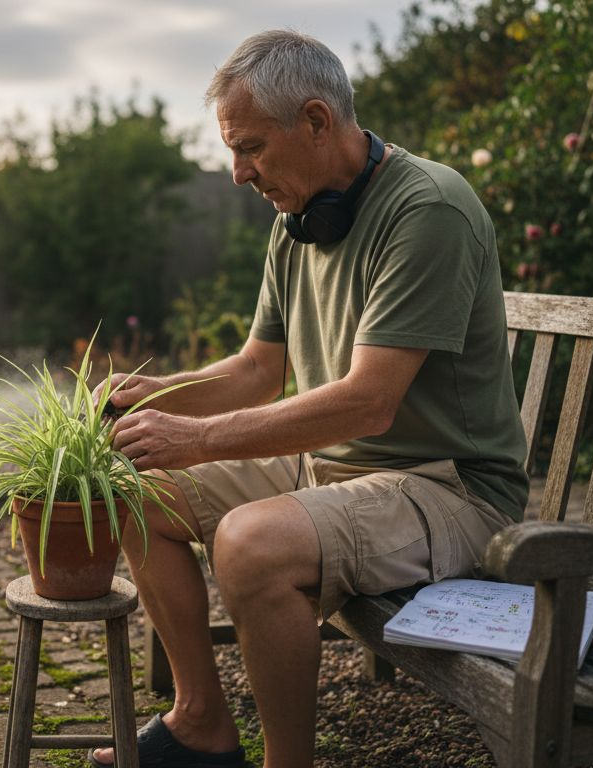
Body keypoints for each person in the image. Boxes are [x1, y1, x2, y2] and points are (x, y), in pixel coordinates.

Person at [89, 29, 528, 768]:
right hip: (336, 471)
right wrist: (155, 394)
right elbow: (258, 370)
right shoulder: (297, 222)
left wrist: (196, 438)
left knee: (252, 545)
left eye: (250, 147)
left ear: (318, 122)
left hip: (451, 488)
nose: (237, 172)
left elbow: (368, 404)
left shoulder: (428, 210)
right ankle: (201, 723)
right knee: (133, 490)